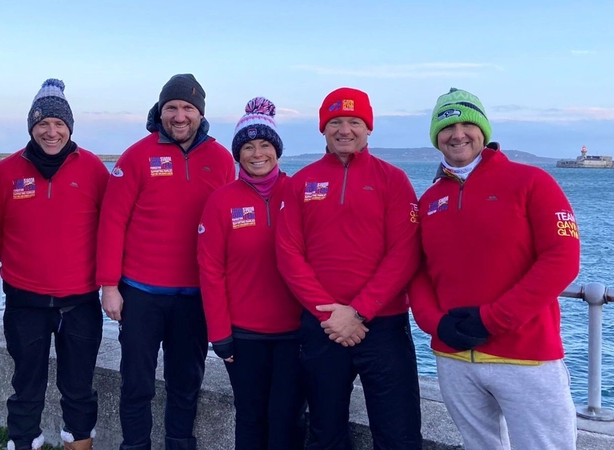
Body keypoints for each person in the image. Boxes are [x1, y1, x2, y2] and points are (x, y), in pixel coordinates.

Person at [408, 88, 580, 450]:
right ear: (436, 136)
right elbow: (418, 270)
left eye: (467, 124)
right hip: (454, 356)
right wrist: (434, 324)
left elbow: (562, 259)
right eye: (447, 126)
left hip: (527, 355)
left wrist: (492, 319)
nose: (457, 134)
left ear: (483, 130)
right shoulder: (429, 199)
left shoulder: (532, 181)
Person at [276, 87, 423, 449]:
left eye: (354, 122)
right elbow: (288, 252)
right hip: (322, 325)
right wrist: (329, 314)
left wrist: (359, 311)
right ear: (323, 129)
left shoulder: (393, 180)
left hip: (384, 325)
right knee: (324, 434)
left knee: (399, 435)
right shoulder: (302, 182)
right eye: (335, 122)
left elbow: (405, 252)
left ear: (368, 128)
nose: (345, 130)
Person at [96, 73, 235, 450]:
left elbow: (228, 228)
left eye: (188, 108)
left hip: (195, 296)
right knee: (136, 383)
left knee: (186, 382)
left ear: (200, 113)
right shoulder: (136, 156)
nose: (179, 116)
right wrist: (109, 286)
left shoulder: (221, 159)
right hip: (141, 293)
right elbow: (112, 222)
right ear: (160, 111)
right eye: (171, 107)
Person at [0, 79, 108, 450]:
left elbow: (110, 228)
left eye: (59, 124)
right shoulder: (6, 171)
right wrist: (27, 263)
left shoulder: (94, 169)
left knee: (79, 389)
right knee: (26, 388)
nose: (51, 132)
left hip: (80, 303)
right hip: (25, 303)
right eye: (43, 124)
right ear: (31, 127)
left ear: (70, 127)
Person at [197, 97, 305, 450]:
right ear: (237, 154)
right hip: (244, 336)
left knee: (287, 418)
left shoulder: (299, 191)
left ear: (277, 150)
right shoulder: (221, 201)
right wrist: (220, 334)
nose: (257, 154)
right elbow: (210, 270)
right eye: (247, 146)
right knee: (251, 417)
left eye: (264, 145)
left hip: (295, 334)